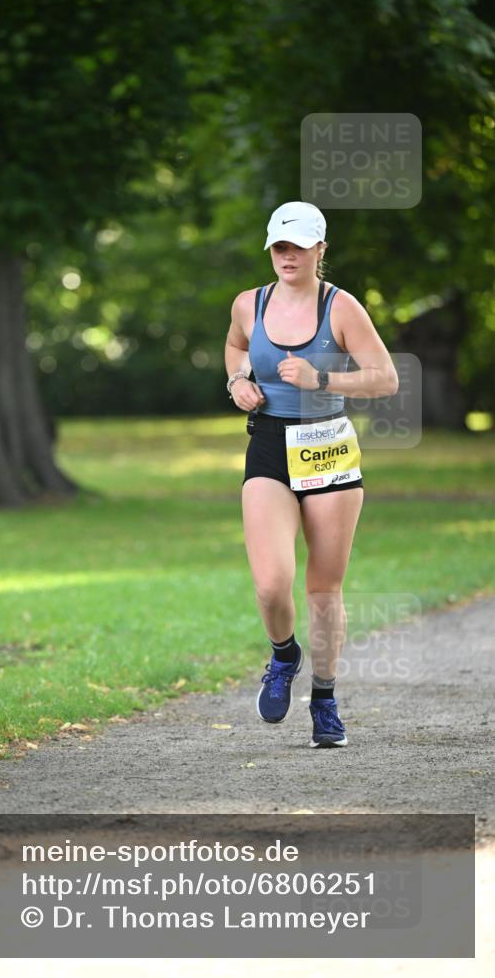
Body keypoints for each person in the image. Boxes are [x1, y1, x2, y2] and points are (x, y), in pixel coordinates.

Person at [224, 201, 398, 748]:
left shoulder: (340, 307)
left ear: (321, 249)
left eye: (298, 246)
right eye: (279, 246)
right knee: (272, 584)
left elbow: (385, 379)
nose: (287, 255)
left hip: (327, 447)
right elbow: (234, 348)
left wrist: (322, 378)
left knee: (324, 589)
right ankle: (283, 656)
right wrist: (237, 383)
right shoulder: (249, 304)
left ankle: (324, 697)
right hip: (270, 444)